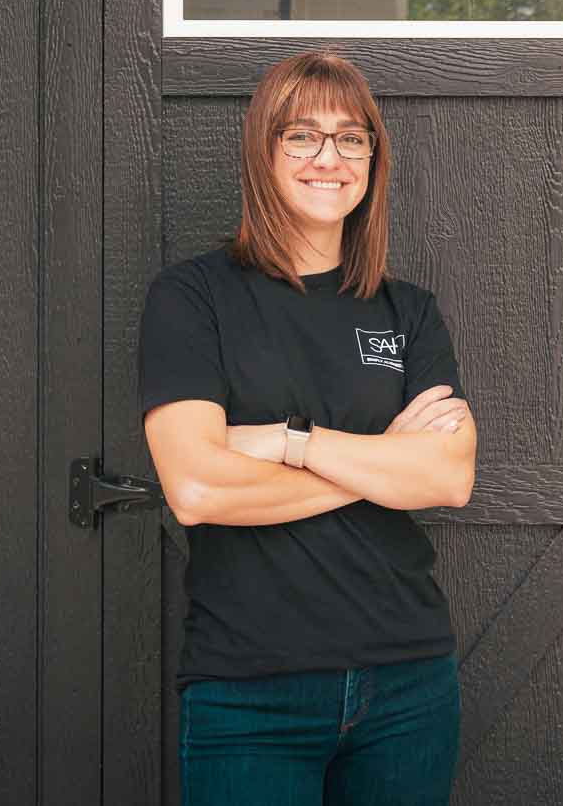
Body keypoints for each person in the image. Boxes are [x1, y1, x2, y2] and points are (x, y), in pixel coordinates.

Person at [137, 49, 477, 806]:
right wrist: (383, 462)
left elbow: (448, 476)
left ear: (373, 160)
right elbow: (195, 487)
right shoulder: (193, 299)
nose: (330, 158)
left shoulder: (408, 311)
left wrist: (289, 442)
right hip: (250, 692)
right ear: (264, 151)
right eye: (302, 136)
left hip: (408, 684)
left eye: (351, 138)